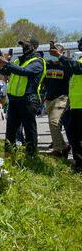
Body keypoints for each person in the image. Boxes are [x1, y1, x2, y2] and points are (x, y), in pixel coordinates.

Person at [0, 38, 46, 155]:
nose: (23, 47)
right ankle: (9, 154)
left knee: (29, 130)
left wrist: (7, 63)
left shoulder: (38, 61)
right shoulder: (19, 60)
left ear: (34, 47)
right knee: (11, 130)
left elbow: (24, 71)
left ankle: (31, 155)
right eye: (22, 45)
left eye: (26, 45)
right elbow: (7, 71)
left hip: (28, 99)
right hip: (14, 99)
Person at [49, 37, 82, 172]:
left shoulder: (79, 63)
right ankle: (78, 164)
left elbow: (77, 68)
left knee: (79, 137)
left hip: (80, 106)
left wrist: (60, 56)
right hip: (75, 105)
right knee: (74, 136)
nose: (79, 44)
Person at [43, 43, 71, 158]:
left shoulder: (66, 65)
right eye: (51, 50)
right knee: (52, 123)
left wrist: (60, 57)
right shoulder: (48, 64)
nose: (53, 52)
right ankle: (63, 146)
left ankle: (59, 149)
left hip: (62, 98)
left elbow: (73, 66)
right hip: (49, 98)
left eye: (56, 50)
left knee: (54, 122)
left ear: (62, 52)